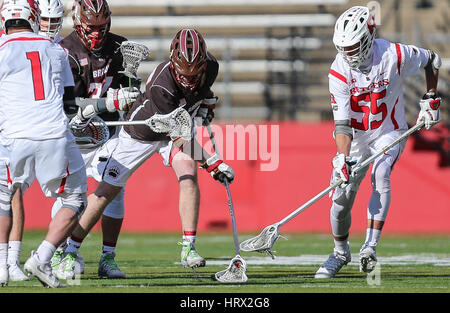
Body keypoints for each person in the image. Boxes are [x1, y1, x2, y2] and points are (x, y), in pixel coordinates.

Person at [60, 28, 234, 272]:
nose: (189, 79)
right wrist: (214, 163)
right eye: (184, 73)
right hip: (140, 133)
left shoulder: (211, 67)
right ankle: (69, 250)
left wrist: (206, 105)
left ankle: (189, 247)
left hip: (176, 127)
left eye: (195, 73)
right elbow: (180, 138)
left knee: (188, 174)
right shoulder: (162, 85)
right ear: (174, 63)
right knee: (105, 192)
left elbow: (203, 92)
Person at [315, 6, 441, 279]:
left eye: (354, 46)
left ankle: (370, 247)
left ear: (369, 36)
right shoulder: (338, 72)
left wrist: (430, 98)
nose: (348, 53)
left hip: (389, 130)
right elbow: (343, 125)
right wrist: (342, 158)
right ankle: (340, 252)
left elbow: (432, 60)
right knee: (340, 200)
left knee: (381, 174)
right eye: (343, 48)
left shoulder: (393, 54)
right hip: (356, 140)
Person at [0, 0, 88, 288]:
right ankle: (42, 257)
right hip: (52, 134)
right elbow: (69, 103)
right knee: (75, 199)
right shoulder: (55, 49)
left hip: (12, 136)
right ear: (34, 17)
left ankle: (2, 265)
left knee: (4, 199)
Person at [50, 0, 140, 280]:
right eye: (92, 27)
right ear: (78, 21)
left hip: (106, 136)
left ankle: (107, 258)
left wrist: (131, 87)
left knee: (114, 188)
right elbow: (68, 104)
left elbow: (129, 90)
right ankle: (58, 251)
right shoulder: (65, 51)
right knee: (70, 198)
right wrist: (107, 102)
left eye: (102, 27)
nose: (98, 33)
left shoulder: (119, 47)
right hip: (74, 136)